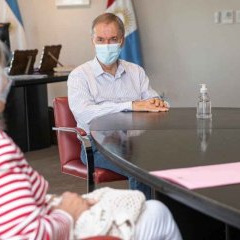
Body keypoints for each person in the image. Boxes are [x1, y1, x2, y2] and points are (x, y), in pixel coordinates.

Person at [0, 21, 181, 239]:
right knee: (156, 212)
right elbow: (28, 236)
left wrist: (55, 203)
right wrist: (68, 212)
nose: (5, 77)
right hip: (57, 224)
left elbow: (5, 208)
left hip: (42, 212)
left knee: (127, 199)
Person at [68, 13, 168, 199]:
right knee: (140, 167)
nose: (106, 45)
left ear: (122, 41)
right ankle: (143, 222)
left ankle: (168, 217)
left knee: (170, 158)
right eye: (100, 39)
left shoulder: (135, 71)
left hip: (137, 141)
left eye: (113, 39)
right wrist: (131, 105)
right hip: (98, 145)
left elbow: (150, 98)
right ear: (93, 41)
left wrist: (156, 102)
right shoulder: (79, 75)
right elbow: (85, 113)